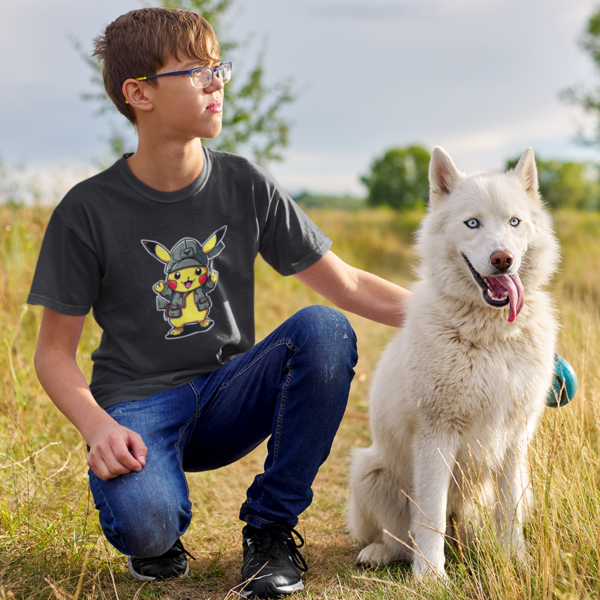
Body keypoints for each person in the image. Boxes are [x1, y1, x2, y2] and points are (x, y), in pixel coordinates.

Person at [28, 8, 410, 598]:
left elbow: (352, 286)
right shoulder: (86, 210)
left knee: (324, 329)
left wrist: (477, 321)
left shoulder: (245, 183)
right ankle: (155, 534)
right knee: (149, 526)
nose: (217, 82)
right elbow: (54, 355)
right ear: (139, 93)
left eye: (219, 67)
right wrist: (98, 427)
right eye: (197, 70)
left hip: (229, 395)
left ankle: (271, 531)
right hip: (136, 411)